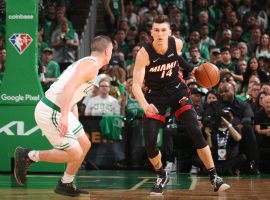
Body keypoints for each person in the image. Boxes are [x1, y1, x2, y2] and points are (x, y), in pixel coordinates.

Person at [132, 14, 230, 195]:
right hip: (155, 96)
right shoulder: (144, 54)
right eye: (156, 30)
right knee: (150, 141)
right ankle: (161, 175)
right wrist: (145, 105)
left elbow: (177, 58)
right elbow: (135, 85)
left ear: (169, 32)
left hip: (177, 89)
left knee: (194, 128)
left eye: (163, 30)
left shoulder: (176, 43)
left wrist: (192, 69)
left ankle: (214, 176)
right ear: (151, 32)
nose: (160, 33)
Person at [13, 35, 113, 197]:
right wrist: (65, 117)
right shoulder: (90, 65)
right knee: (75, 153)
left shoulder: (87, 63)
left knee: (84, 144)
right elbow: (69, 87)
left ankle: (65, 183)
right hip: (52, 110)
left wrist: (74, 120)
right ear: (107, 51)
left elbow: (73, 96)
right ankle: (29, 155)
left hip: (61, 108)